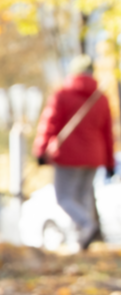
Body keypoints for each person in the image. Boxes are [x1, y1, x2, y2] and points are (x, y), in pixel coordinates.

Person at [33, 55, 115, 250]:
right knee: (82, 198)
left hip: (68, 155)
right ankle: (79, 241)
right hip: (95, 156)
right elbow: (108, 133)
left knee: (64, 198)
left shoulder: (62, 95)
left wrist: (41, 151)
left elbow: (49, 124)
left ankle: (86, 226)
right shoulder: (101, 98)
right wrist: (110, 163)